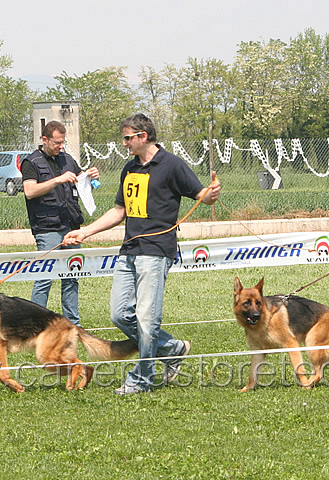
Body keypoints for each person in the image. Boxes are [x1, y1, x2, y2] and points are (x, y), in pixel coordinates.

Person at [63, 113, 221, 395]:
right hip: (129, 250)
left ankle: (142, 379)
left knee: (147, 320)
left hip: (157, 251)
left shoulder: (172, 165)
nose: (124, 143)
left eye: (127, 138)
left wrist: (212, 193)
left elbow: (202, 196)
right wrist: (85, 232)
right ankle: (172, 349)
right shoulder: (129, 169)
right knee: (120, 315)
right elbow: (119, 211)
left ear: (143, 136)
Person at [21, 120, 99, 327]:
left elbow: (80, 181)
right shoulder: (32, 162)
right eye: (57, 142)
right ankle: (35, 325)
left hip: (71, 225)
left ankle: (73, 324)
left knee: (72, 275)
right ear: (45, 139)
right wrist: (57, 180)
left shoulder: (68, 159)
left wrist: (90, 177)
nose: (61, 146)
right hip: (47, 228)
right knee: (45, 276)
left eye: (63, 142)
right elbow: (30, 192)